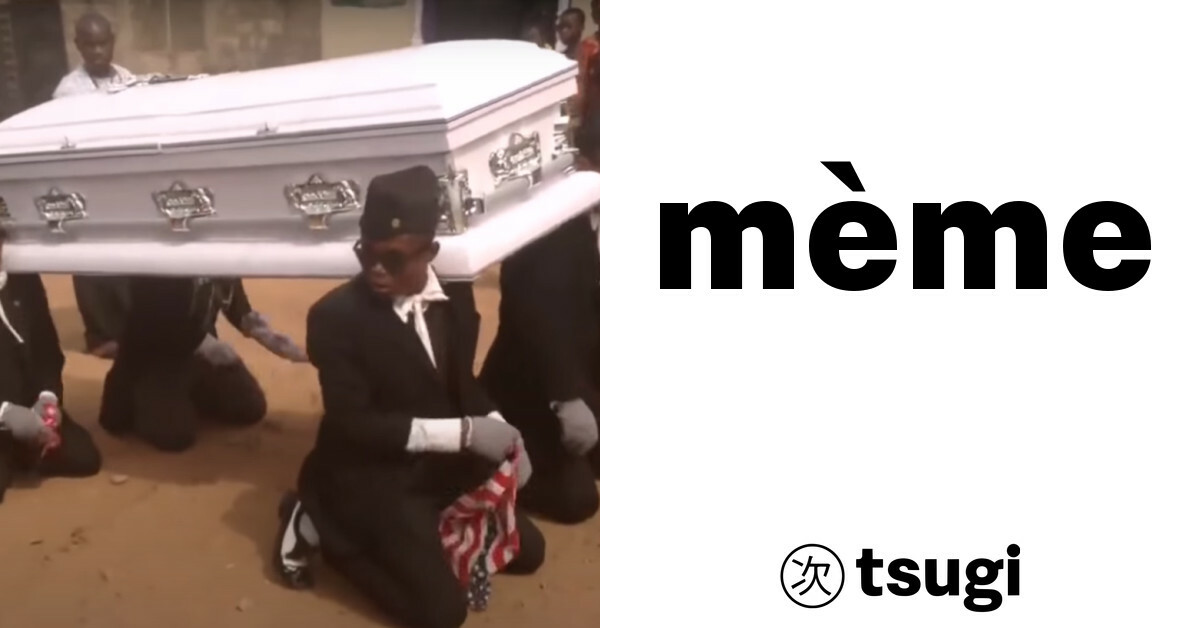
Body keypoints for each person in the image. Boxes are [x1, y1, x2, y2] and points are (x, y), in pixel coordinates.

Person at [273, 166, 544, 628]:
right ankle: (323, 526)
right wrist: (465, 434)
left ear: (430, 252)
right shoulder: (335, 318)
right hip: (376, 473)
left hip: (441, 466)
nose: (377, 270)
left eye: (394, 259)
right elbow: (353, 423)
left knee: (528, 551)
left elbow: (461, 382)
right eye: (367, 254)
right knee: (441, 613)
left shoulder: (456, 296)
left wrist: (504, 431)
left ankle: (421, 537)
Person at [479, 149, 600, 523]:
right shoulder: (543, 229)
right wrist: (566, 398)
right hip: (535, 385)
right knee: (576, 500)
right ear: (584, 165)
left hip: (591, 369)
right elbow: (534, 321)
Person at [97, 276, 306, 452]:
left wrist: (273, 340)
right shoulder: (163, 265)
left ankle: (185, 396)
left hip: (198, 356)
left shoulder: (222, 260)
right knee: (175, 436)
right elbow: (157, 325)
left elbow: (237, 307)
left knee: (250, 407)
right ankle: (138, 400)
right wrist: (210, 346)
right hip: (156, 360)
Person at [52, 11, 135, 359]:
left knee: (127, 251)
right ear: (79, 46)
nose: (98, 51)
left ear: (112, 42)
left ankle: (131, 329)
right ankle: (100, 335)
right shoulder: (68, 92)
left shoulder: (128, 79)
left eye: (103, 43)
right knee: (88, 256)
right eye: (90, 45)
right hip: (85, 179)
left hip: (123, 177)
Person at [0, 228, 102, 502]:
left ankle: (25, 448)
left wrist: (48, 398)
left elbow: (47, 349)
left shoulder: (23, 281)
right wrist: (6, 414)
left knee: (84, 458)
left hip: (29, 399)